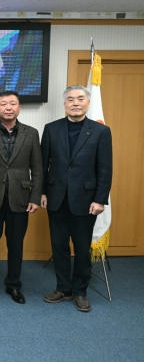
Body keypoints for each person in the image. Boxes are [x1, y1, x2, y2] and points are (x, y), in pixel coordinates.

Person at [41, 85, 112, 312]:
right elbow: (42, 164)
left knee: (82, 248)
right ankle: (63, 288)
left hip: (86, 200)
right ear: (65, 104)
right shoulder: (51, 129)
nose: (75, 103)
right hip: (56, 198)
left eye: (80, 99)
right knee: (59, 246)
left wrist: (100, 199)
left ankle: (80, 291)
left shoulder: (101, 131)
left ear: (88, 103)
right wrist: (42, 192)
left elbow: (105, 168)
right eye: (70, 99)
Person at [0, 91, 42, 304]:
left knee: (16, 244)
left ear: (19, 108)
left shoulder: (31, 133)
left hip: (21, 198)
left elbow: (37, 167)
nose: (8, 107)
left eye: (13, 103)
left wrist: (35, 197)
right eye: (3, 104)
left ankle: (14, 285)